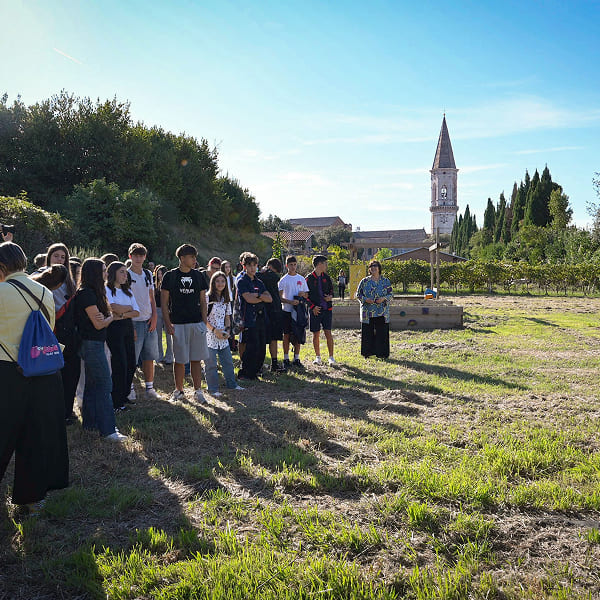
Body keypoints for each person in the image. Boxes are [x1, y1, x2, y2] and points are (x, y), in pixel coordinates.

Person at [0, 242, 69, 511]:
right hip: (41, 370)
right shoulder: (44, 291)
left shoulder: (2, 291)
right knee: (34, 437)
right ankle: (31, 498)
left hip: (6, 371)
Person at [74, 259, 127, 441]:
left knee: (92, 386)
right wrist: (112, 316)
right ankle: (109, 430)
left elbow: (99, 320)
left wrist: (106, 317)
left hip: (92, 343)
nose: (107, 274)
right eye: (104, 270)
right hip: (91, 344)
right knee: (105, 385)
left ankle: (90, 424)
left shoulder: (90, 292)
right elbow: (98, 324)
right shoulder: (87, 294)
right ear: (95, 273)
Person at [161, 244, 209, 403]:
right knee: (180, 360)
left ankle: (198, 391)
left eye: (195, 257)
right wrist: (168, 324)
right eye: (191, 257)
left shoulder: (199, 276)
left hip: (196, 323)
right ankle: (179, 390)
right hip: (178, 323)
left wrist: (204, 321)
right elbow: (164, 302)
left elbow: (203, 301)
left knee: (196, 359)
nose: (195, 260)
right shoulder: (170, 276)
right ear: (182, 258)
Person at [45, 243, 81, 423]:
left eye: (62, 257)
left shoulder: (70, 280)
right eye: (56, 256)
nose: (59, 259)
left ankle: (67, 411)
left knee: (71, 372)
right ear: (49, 257)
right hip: (49, 333)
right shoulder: (39, 277)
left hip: (69, 333)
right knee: (51, 375)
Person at [105, 262, 140, 412]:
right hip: (114, 329)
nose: (125, 275)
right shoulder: (106, 289)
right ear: (113, 273)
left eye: (126, 273)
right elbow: (112, 308)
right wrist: (127, 310)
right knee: (120, 363)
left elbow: (137, 311)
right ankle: (116, 401)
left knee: (131, 362)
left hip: (126, 326)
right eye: (122, 272)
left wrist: (123, 313)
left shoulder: (128, 292)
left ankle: (124, 395)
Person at [127, 243, 159, 400]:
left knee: (149, 356)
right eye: (135, 255)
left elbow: (151, 297)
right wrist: (129, 324)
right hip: (133, 321)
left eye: (141, 255)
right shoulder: (125, 275)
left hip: (148, 320)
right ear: (130, 256)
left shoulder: (147, 273)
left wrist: (154, 317)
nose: (138, 258)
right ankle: (130, 387)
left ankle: (150, 387)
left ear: (145, 257)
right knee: (132, 357)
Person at [204, 271, 244, 396]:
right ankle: (213, 389)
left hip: (223, 335)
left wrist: (227, 329)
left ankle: (232, 385)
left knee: (227, 362)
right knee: (211, 364)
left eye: (222, 281)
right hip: (210, 335)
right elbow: (203, 318)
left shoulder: (226, 299)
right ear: (213, 283)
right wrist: (214, 330)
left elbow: (228, 317)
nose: (220, 284)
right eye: (217, 281)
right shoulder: (207, 297)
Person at [236, 252, 272, 380]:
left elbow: (269, 298)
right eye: (249, 265)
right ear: (244, 266)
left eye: (254, 265)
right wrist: (260, 297)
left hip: (261, 318)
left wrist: (258, 296)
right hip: (249, 319)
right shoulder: (242, 281)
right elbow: (248, 298)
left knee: (261, 347)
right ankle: (245, 373)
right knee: (251, 347)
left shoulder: (259, 282)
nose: (252, 268)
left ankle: (256, 371)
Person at [356, 260, 393, 359]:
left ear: (379, 268)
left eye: (375, 266)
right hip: (368, 312)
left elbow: (390, 294)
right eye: (371, 266)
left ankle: (382, 354)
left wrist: (383, 298)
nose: (373, 268)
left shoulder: (385, 281)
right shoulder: (364, 281)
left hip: (382, 311)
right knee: (367, 333)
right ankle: (367, 353)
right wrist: (365, 299)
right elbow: (358, 295)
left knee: (382, 333)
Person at [278, 255, 310, 369]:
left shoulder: (301, 279)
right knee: (286, 335)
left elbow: (307, 294)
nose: (293, 267)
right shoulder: (283, 280)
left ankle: (296, 358)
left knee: (298, 334)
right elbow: (280, 297)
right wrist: (290, 302)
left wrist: (303, 295)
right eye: (291, 265)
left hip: (299, 311)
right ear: (287, 266)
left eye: (295, 265)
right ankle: (286, 358)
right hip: (287, 310)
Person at [306, 255, 336, 366]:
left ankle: (331, 357)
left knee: (328, 332)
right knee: (316, 334)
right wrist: (312, 307)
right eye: (325, 263)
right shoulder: (308, 279)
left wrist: (330, 297)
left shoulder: (327, 278)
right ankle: (318, 357)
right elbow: (305, 296)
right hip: (315, 310)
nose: (326, 265)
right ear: (319, 264)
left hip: (327, 309)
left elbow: (332, 291)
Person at [257, 258, 286, 372]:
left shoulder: (270, 276)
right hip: (269, 310)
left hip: (272, 311)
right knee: (267, 338)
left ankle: (273, 363)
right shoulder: (265, 276)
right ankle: (265, 363)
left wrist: (263, 271)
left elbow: (274, 277)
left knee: (272, 338)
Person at [154, 265, 174, 364]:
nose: (160, 276)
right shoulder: (155, 285)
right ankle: (159, 356)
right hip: (157, 310)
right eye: (158, 274)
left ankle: (170, 356)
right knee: (158, 335)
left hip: (167, 311)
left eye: (161, 274)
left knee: (168, 334)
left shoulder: (169, 285)